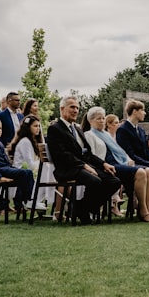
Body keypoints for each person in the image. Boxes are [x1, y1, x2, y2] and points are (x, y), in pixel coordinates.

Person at [46, 96, 121, 225]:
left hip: (82, 167)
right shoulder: (55, 129)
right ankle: (83, 211)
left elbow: (88, 153)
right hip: (67, 169)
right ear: (62, 109)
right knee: (95, 181)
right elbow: (62, 155)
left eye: (77, 108)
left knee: (114, 181)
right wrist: (84, 166)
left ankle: (80, 208)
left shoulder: (77, 129)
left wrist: (103, 163)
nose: (76, 110)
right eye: (72, 107)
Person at [83, 107, 149, 222]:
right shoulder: (89, 135)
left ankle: (148, 208)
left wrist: (128, 159)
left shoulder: (106, 134)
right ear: (91, 121)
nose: (102, 121)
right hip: (107, 165)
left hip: (119, 162)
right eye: (98, 119)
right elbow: (91, 156)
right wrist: (103, 165)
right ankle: (142, 210)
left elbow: (119, 150)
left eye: (103, 118)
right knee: (140, 172)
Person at [0, 118, 35, 215]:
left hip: (6, 169)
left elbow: (6, 161)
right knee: (25, 173)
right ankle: (27, 200)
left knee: (25, 174)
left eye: (0, 128)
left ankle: (21, 202)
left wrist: (12, 169)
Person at [10, 115, 56, 211]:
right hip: (22, 171)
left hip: (29, 170)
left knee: (47, 169)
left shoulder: (33, 141)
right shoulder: (25, 142)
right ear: (28, 127)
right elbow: (29, 164)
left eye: (39, 126)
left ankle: (37, 199)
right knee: (45, 169)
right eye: (35, 126)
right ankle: (33, 199)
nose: (38, 128)